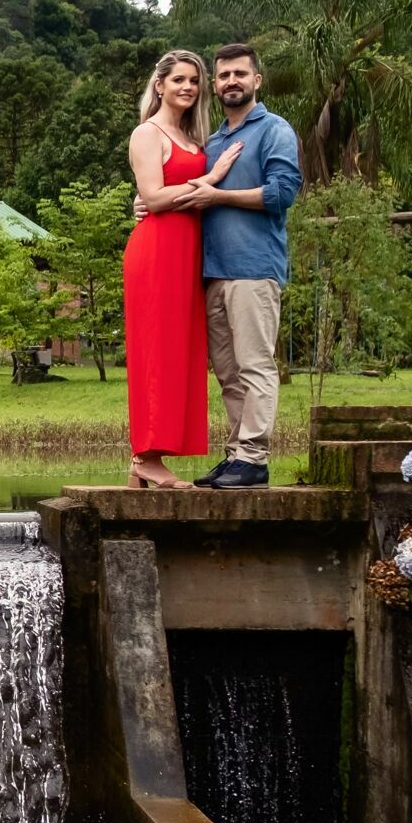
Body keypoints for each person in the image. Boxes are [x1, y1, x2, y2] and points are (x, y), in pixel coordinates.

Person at [154, 43, 303, 490]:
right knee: (228, 372)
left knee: (256, 365)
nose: (231, 82)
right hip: (212, 273)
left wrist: (217, 196)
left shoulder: (274, 130)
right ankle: (237, 455)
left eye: (240, 74)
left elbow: (281, 194)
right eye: (223, 76)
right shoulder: (214, 141)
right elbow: (186, 192)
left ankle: (255, 457)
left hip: (254, 269)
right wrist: (148, 201)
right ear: (215, 85)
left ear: (257, 80)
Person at [122, 50, 242, 489]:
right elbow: (152, 198)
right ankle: (147, 459)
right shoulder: (147, 133)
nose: (188, 87)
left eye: (194, 80)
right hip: (156, 254)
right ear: (160, 86)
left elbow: (164, 194)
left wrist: (201, 179)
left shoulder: (194, 138)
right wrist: (210, 179)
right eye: (179, 80)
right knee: (155, 352)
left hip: (187, 255)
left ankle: (143, 464)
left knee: (178, 355)